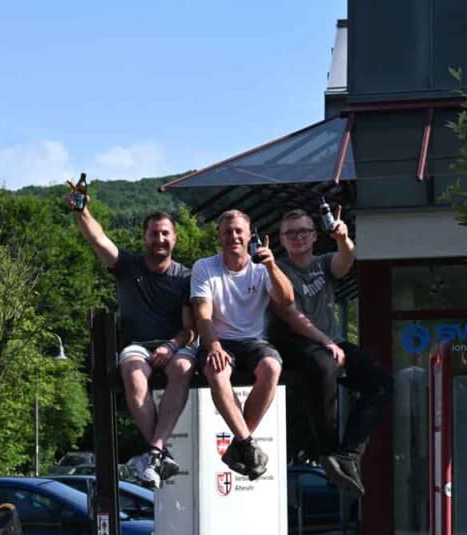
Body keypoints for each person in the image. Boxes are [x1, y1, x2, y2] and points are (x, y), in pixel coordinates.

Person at [71, 199, 195, 488]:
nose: (160, 239)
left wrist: (171, 346)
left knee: (182, 368)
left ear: (175, 238)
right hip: (138, 345)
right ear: (144, 237)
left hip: (175, 346)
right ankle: (159, 453)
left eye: (165, 233)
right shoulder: (128, 266)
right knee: (132, 372)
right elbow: (98, 239)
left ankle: (154, 453)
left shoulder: (186, 277)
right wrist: (81, 209)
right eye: (154, 233)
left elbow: (190, 329)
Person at [267, 207, 392, 495]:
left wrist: (343, 239)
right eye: (290, 233)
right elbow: (290, 316)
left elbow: (344, 261)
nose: (298, 237)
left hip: (329, 341)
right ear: (281, 240)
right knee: (325, 367)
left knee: (381, 381)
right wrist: (326, 342)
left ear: (314, 236)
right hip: (296, 341)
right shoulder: (276, 270)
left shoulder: (323, 263)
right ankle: (328, 449)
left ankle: (348, 454)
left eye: (304, 231)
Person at [190, 209, 295, 479]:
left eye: (239, 231)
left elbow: (286, 300)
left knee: (272, 368)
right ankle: (247, 444)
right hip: (219, 339)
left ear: (250, 236)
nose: (233, 236)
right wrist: (214, 346)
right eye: (227, 231)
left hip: (254, 341)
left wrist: (272, 266)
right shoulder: (204, 267)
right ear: (219, 237)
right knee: (217, 371)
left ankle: (240, 445)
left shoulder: (262, 268)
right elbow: (202, 314)